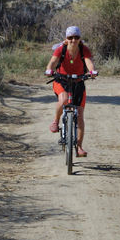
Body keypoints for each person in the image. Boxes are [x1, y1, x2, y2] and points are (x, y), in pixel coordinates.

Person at [45, 26, 97, 157]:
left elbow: (89, 62)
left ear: (80, 39)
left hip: (78, 81)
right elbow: (52, 62)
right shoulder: (61, 49)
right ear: (66, 39)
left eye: (76, 37)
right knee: (62, 100)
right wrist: (49, 70)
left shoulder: (83, 49)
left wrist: (92, 72)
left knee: (79, 115)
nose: (73, 40)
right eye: (70, 38)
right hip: (61, 80)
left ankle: (79, 147)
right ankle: (56, 121)